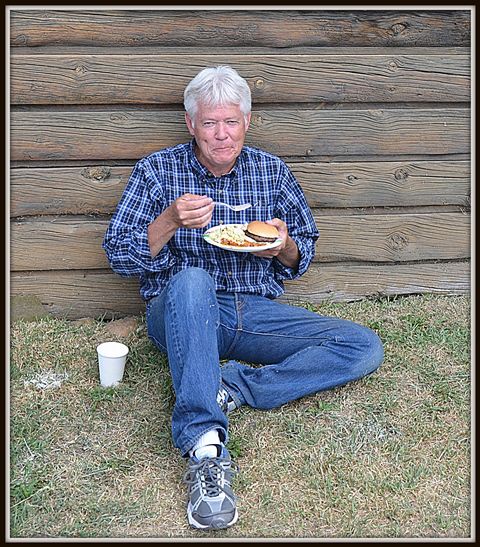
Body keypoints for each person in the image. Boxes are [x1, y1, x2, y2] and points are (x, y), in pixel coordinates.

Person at [103, 65, 384, 531]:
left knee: (362, 346)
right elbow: (118, 254)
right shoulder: (156, 171)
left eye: (230, 122)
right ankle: (205, 446)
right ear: (191, 125)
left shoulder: (271, 172)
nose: (221, 134)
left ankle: (231, 387)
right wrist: (169, 221)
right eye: (209, 123)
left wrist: (283, 245)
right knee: (193, 279)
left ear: (246, 122)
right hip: (179, 310)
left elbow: (303, 250)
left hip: (252, 312)